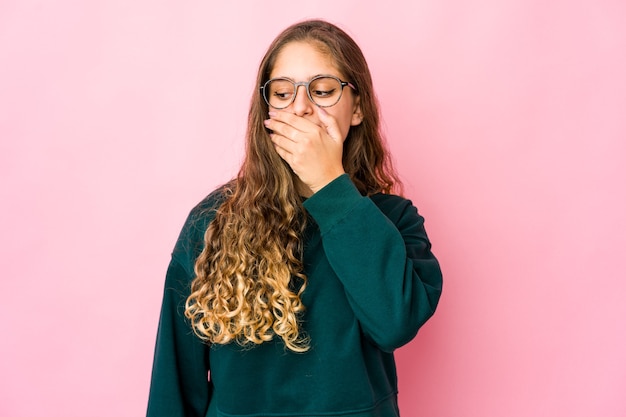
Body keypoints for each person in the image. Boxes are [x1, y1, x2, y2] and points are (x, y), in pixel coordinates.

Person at [146, 19, 443, 417]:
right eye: (283, 93)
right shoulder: (210, 221)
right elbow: (175, 386)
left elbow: (395, 323)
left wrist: (328, 183)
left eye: (321, 90)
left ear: (356, 108)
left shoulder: (393, 220)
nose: (301, 106)